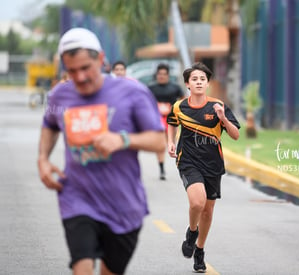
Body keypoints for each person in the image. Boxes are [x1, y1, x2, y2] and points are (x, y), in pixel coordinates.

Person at [37, 27, 166, 275]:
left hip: (123, 204)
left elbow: (159, 141)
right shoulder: (60, 96)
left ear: (101, 58)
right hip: (77, 198)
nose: (80, 77)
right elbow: (50, 126)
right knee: (82, 268)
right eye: (72, 71)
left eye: (86, 68)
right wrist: (42, 159)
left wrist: (123, 140)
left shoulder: (133, 93)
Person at [167, 62, 240, 273]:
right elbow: (171, 122)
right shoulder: (179, 106)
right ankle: (192, 232)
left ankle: (199, 249)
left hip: (213, 164)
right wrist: (170, 141)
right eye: (194, 79)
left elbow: (235, 135)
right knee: (197, 203)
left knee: (208, 211)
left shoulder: (218, 105)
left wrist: (223, 118)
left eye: (202, 79)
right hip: (188, 161)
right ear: (187, 84)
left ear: (208, 83)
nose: (199, 82)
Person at [148, 63, 185, 180]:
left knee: (172, 143)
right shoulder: (151, 88)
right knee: (160, 144)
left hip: (171, 118)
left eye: (164, 74)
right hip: (157, 118)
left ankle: (182, 165)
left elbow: (183, 99)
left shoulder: (175, 87)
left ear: (168, 75)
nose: (162, 76)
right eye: (160, 74)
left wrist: (178, 110)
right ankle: (162, 168)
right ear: (156, 75)